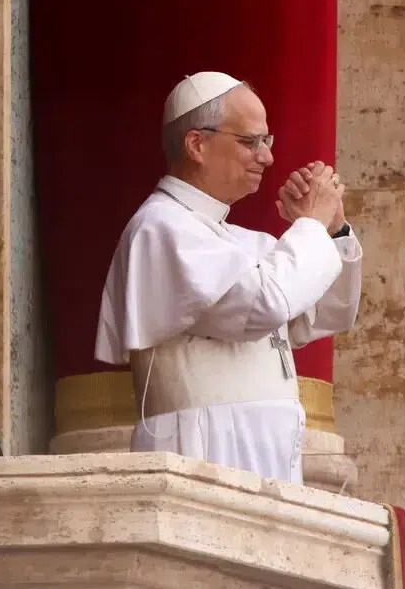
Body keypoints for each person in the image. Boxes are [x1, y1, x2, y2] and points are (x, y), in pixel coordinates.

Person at [94, 71, 363, 483]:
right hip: (204, 447)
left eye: (266, 142)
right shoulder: (161, 227)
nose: (267, 157)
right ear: (197, 144)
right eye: (250, 142)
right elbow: (264, 304)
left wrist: (333, 229)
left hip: (264, 448)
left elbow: (329, 313)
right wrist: (310, 225)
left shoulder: (243, 240)